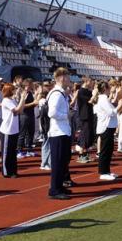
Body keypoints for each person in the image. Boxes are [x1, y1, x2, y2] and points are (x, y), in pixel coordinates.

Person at [47, 67, 74, 200]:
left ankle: (59, 186)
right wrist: (66, 115)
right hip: (58, 132)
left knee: (63, 162)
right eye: (68, 77)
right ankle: (54, 190)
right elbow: (51, 113)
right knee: (58, 162)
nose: (69, 79)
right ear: (62, 78)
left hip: (63, 131)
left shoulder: (61, 93)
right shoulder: (56, 94)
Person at [93, 81, 118, 180]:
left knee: (109, 150)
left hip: (109, 127)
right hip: (105, 127)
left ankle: (107, 171)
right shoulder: (103, 99)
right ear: (105, 89)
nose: (110, 89)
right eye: (109, 87)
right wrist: (120, 105)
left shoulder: (104, 99)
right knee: (105, 151)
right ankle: (103, 172)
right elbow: (111, 112)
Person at [0, 83, 27, 178]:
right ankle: (6, 171)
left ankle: (13, 171)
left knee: (12, 152)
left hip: (14, 129)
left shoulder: (12, 100)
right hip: (7, 129)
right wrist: (22, 98)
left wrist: (22, 100)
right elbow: (15, 111)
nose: (15, 90)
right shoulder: (6, 100)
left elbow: (20, 110)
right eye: (13, 89)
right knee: (6, 152)